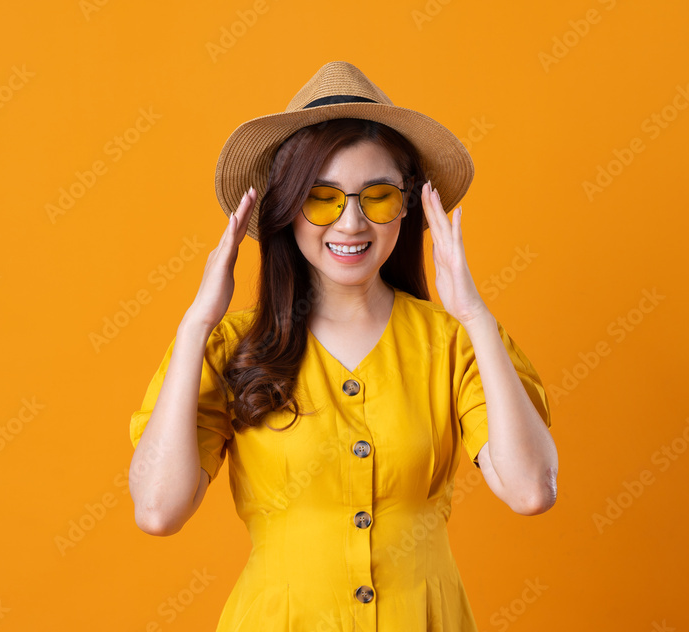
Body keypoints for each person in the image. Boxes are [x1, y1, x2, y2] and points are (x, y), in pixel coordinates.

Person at [127, 61, 558, 631]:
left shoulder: (454, 342)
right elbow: (158, 510)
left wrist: (475, 315)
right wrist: (194, 326)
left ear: (405, 206)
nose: (351, 222)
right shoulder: (229, 347)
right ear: (284, 208)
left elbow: (531, 489)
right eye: (322, 197)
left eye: (377, 196)